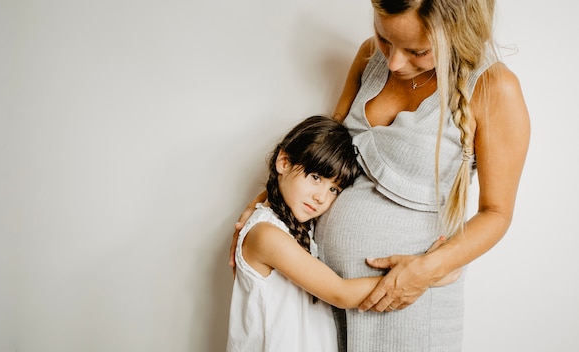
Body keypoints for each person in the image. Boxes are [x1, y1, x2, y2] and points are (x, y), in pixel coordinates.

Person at [230, 0, 530, 351]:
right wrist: (269, 204)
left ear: (458, 33)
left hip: (407, 304)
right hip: (323, 299)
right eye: (385, 39)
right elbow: (325, 151)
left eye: (418, 51)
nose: (393, 62)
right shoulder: (367, 57)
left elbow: (497, 213)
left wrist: (429, 272)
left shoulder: (495, 88)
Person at [226, 115, 458, 352]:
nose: (321, 197)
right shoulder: (266, 235)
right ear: (283, 162)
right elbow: (340, 293)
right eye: (316, 178)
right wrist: (427, 275)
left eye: (334, 189)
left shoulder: (297, 224)